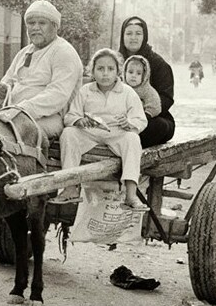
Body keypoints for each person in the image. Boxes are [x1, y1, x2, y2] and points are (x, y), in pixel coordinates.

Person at [53, 48, 148, 210]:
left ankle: (131, 194)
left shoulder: (127, 92)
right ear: (92, 71)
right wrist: (79, 121)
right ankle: (70, 188)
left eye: (110, 69)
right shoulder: (85, 91)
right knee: (68, 133)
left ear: (118, 72)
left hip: (117, 133)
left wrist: (129, 123)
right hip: (90, 133)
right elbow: (70, 116)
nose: (105, 74)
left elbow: (141, 119)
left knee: (133, 139)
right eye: (100, 69)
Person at [0, 0, 83, 138]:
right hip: (13, 112)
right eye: (31, 23)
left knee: (10, 134)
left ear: (55, 26)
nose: (35, 28)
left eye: (42, 23)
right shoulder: (24, 53)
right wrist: (2, 90)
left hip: (49, 117)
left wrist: (22, 110)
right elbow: (8, 80)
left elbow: (58, 95)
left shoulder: (63, 52)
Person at [118, 16, 175, 146]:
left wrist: (139, 112)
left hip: (152, 117)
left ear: (144, 36)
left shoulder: (158, 64)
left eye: (138, 33)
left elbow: (166, 98)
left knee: (157, 127)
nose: (133, 37)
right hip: (119, 116)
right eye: (129, 33)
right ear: (122, 36)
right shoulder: (115, 61)